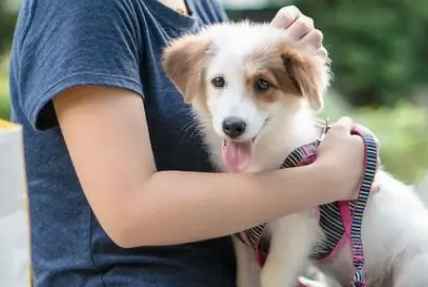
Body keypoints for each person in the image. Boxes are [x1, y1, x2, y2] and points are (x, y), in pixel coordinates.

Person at [9, 0, 379, 286]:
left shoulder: (200, 6)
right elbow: (130, 212)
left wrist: (281, 69)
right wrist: (329, 178)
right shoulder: (85, 9)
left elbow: (241, 172)